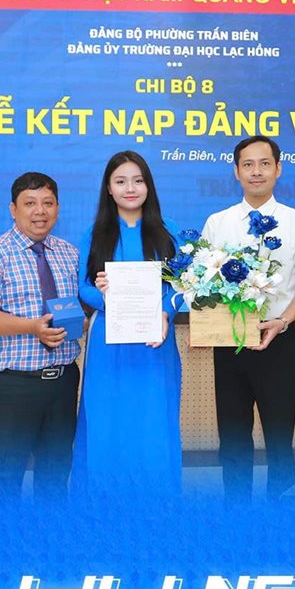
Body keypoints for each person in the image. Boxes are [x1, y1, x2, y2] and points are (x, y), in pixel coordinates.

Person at [202, 136, 295, 501]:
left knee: (279, 439)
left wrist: (281, 322)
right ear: (236, 172)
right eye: (248, 164)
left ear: (278, 169)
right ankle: (236, 515)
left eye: (264, 163)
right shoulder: (218, 223)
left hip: (279, 341)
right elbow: (204, 287)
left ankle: (281, 515)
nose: (256, 171)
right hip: (230, 343)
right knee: (233, 438)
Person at [0, 172, 81, 502]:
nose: (39, 211)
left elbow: (79, 309)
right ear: (13, 209)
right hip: (14, 387)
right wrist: (32, 327)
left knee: (56, 475)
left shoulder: (69, 253)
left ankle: (48, 534)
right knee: (3, 479)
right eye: (30, 203)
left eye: (48, 203)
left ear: (58, 208)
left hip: (63, 382)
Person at [73, 151, 182, 496]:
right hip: (108, 343)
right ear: (109, 188)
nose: (130, 188)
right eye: (121, 181)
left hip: (156, 342)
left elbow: (183, 286)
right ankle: (102, 504)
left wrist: (165, 313)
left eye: (138, 181)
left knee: (154, 420)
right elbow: (83, 288)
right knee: (106, 421)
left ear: (149, 186)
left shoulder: (170, 233)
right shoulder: (94, 234)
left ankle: (157, 504)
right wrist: (106, 296)